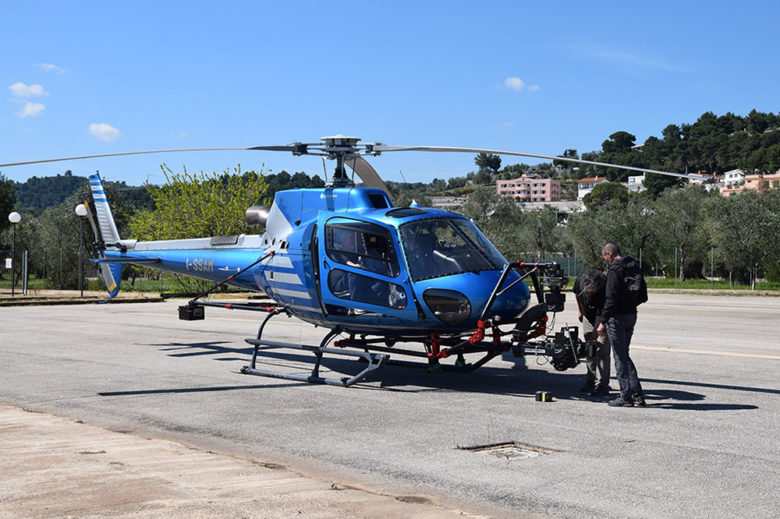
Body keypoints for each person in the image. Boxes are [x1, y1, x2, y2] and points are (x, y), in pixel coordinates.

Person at [596, 242, 648, 407]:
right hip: (631, 315)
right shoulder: (635, 268)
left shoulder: (614, 270)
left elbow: (610, 299)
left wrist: (603, 321)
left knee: (619, 357)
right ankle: (637, 394)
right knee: (624, 354)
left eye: (605, 257)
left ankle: (625, 396)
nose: (606, 260)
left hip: (617, 317)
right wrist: (630, 304)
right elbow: (643, 296)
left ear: (609, 254)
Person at [573, 267, 610, 396]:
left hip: (603, 318)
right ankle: (590, 380)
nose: (590, 294)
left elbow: (601, 313)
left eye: (592, 293)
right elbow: (576, 295)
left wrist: (596, 332)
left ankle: (604, 384)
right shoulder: (579, 281)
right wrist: (580, 311)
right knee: (590, 350)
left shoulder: (604, 287)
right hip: (587, 317)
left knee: (602, 351)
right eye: (588, 292)